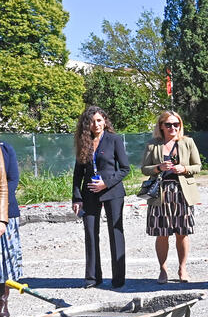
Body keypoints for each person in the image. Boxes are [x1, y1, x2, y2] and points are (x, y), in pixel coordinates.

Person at [71, 107, 130, 289]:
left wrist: (106, 183)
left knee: (115, 232)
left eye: (99, 120)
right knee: (90, 232)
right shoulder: (84, 142)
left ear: (105, 121)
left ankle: (118, 278)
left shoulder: (114, 140)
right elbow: (78, 174)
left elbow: (125, 169)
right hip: (89, 193)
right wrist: (76, 198)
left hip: (112, 192)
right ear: (86, 124)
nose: (95, 124)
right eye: (91, 121)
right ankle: (92, 277)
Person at [141, 111, 201, 284]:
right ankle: (163, 269)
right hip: (160, 193)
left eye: (176, 124)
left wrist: (184, 169)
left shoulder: (187, 142)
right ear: (161, 126)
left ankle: (183, 269)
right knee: (162, 234)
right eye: (168, 125)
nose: (173, 128)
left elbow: (197, 166)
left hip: (183, 193)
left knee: (182, 233)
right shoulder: (153, 145)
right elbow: (144, 169)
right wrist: (159, 167)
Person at [0, 140, 22, 288]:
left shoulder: (5, 148)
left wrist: (2, 217)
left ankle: (3, 302)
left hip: (6, 211)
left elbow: (12, 179)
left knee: (5, 262)